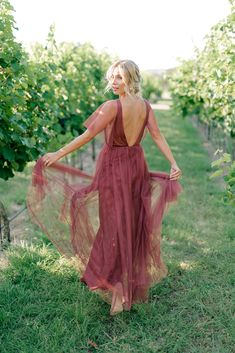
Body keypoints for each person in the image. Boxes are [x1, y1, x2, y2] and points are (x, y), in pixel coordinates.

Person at [27, 59, 183, 316]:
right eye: (112, 77)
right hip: (136, 166)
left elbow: (87, 136)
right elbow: (156, 135)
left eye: (119, 78)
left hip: (115, 169)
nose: (113, 82)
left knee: (113, 224)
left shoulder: (112, 107)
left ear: (131, 79)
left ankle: (118, 289)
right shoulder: (145, 106)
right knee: (128, 223)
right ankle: (117, 281)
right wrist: (173, 161)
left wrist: (59, 153)